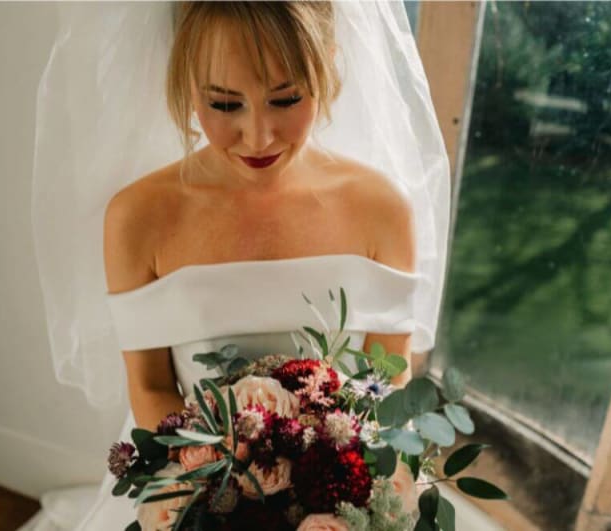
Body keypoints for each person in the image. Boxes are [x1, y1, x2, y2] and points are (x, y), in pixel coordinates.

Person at [26, 2, 450, 530]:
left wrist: (348, 486)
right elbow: (151, 385)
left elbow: (390, 377)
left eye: (286, 98)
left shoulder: (383, 211)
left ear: (328, 64)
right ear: (184, 80)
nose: (258, 136)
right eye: (224, 103)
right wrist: (219, 483)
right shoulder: (136, 219)